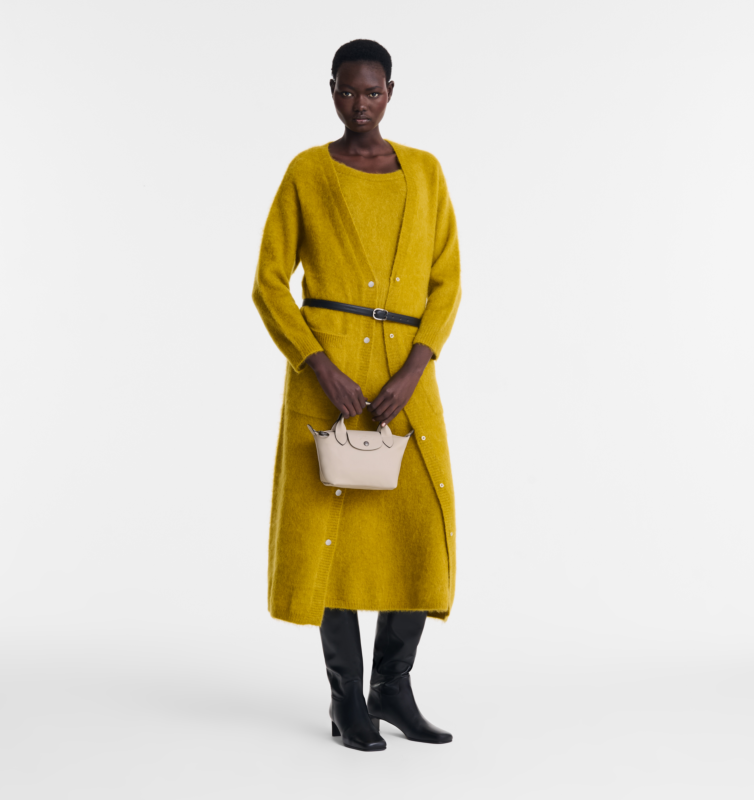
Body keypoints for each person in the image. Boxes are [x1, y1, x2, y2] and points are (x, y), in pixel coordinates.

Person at [251, 39, 462, 751]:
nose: (359, 103)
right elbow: (268, 282)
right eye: (347, 90)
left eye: (372, 92)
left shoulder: (426, 172)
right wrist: (317, 364)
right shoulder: (307, 172)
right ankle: (347, 700)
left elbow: (447, 281)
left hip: (406, 379)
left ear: (391, 93)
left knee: (418, 525)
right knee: (330, 534)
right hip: (330, 381)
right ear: (332, 90)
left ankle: (392, 689)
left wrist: (416, 366)